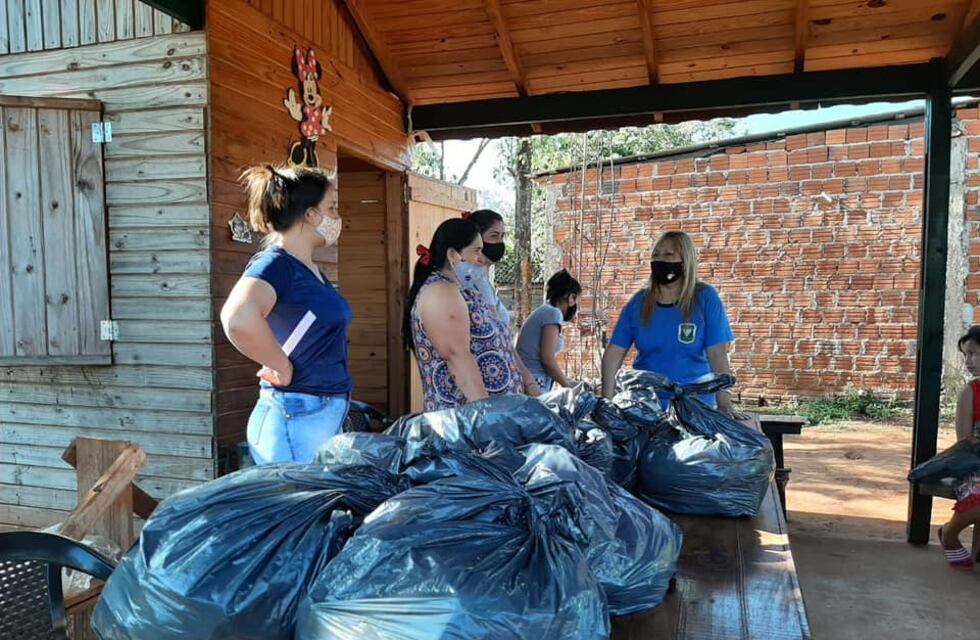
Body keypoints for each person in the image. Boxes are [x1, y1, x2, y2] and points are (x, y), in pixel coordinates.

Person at [220, 165, 350, 464]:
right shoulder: (276, 264)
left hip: (314, 412)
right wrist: (280, 365)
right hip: (295, 415)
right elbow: (238, 318)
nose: (337, 216)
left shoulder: (308, 269)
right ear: (310, 215)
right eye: (331, 207)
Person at [600, 230, 739, 416]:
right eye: (656, 255)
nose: (660, 261)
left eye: (668, 254)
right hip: (646, 406)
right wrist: (606, 403)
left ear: (685, 261)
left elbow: (717, 354)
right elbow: (613, 353)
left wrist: (724, 404)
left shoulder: (705, 298)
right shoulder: (639, 303)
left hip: (695, 406)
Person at [404, 218, 524, 412]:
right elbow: (457, 358)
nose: (482, 258)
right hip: (466, 424)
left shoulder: (464, 291)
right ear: (452, 254)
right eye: (476, 251)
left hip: (485, 420)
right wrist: (488, 417)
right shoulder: (440, 291)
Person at [938, 326, 980, 569]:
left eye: (973, 354)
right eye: (966, 355)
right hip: (974, 461)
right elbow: (964, 438)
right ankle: (950, 533)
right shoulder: (970, 392)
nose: (968, 361)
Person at [516, 269, 582, 391]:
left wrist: (566, 381)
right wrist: (568, 386)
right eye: (577, 299)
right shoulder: (553, 314)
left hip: (529, 378)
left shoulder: (544, 311)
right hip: (534, 381)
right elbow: (547, 360)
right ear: (571, 298)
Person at [454, 209, 510, 325]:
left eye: (502, 236)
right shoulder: (476, 279)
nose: (500, 242)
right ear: (476, 239)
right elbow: (495, 328)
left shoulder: (464, 272)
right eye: (494, 236)